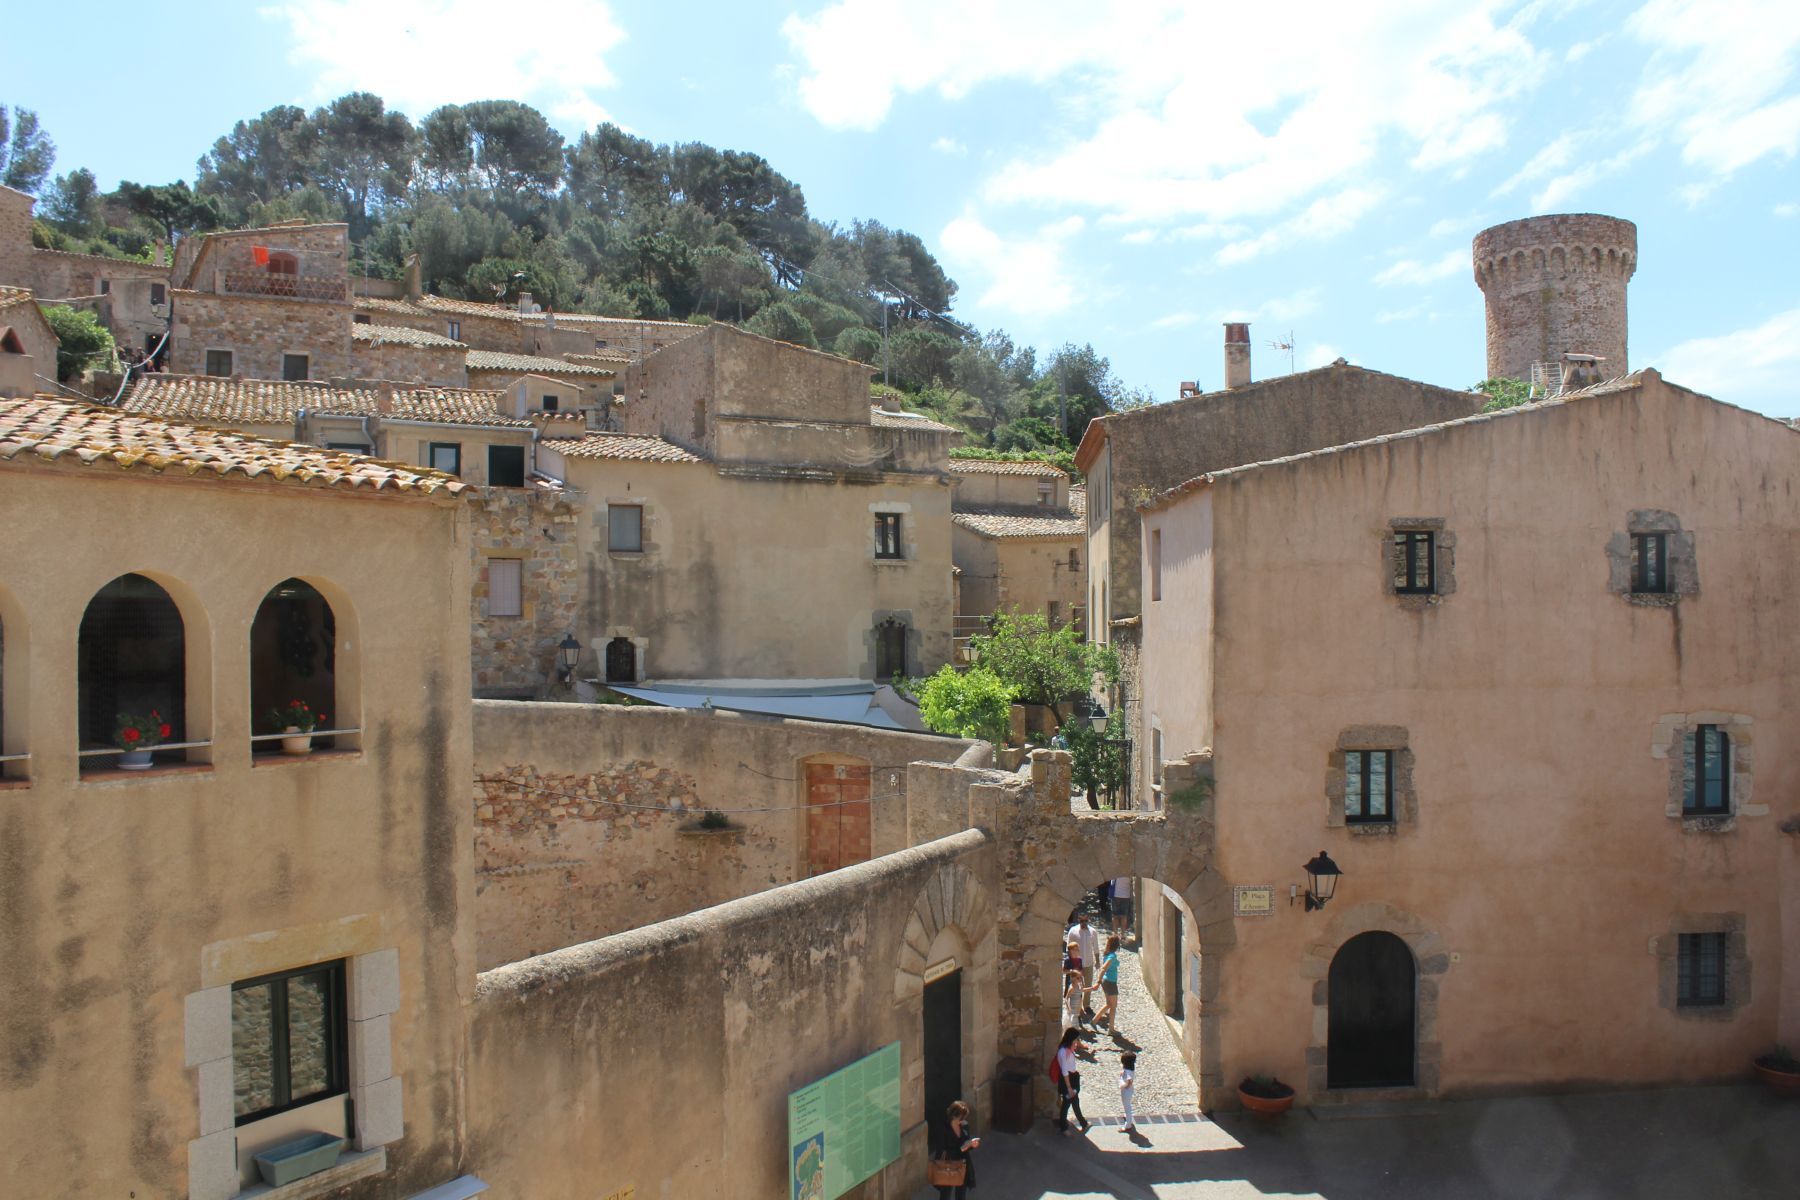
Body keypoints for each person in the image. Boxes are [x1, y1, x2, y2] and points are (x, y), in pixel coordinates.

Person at [929, 1099, 979, 1198]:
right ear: (953, 1116)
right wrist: (962, 1148)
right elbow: (941, 1150)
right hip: (948, 1167)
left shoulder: (964, 1125)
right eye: (960, 1118)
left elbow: (966, 1142)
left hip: (963, 1165)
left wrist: (971, 1145)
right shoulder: (943, 1129)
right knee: (945, 1195)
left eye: (964, 1118)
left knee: (961, 1195)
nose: (962, 1121)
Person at [1053, 1027, 1090, 1134]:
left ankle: (1083, 1123)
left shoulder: (1068, 1049)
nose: (1077, 1042)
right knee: (1066, 1103)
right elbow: (1064, 1070)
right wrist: (1069, 1087)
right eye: (1076, 1039)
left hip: (1072, 1078)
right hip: (1068, 1080)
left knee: (1074, 1101)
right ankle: (1064, 1128)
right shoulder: (1063, 1052)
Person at [1085, 935, 1123, 1033]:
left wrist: (1100, 981)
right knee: (1113, 1007)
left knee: (1108, 1004)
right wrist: (1098, 981)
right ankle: (1111, 1029)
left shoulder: (1107, 954)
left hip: (1106, 982)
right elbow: (1103, 968)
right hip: (1110, 982)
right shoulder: (1112, 956)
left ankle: (1094, 1021)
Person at [1067, 912, 1100, 1021]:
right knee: (1077, 986)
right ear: (1079, 920)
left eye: (1085, 921)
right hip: (1077, 964)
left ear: (1088, 920)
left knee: (1088, 984)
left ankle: (1086, 1005)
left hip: (1089, 962)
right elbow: (1069, 947)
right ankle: (1078, 1008)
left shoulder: (1092, 932)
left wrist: (1097, 961)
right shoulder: (1073, 931)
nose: (1083, 923)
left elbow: (1095, 947)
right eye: (1081, 921)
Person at [1062, 940, 1085, 1027]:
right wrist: (1071, 971)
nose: (1076, 951)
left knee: (1079, 997)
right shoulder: (1067, 960)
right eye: (1074, 950)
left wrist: (1082, 982)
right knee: (1069, 997)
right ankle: (1068, 1014)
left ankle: (1077, 1014)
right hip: (1070, 982)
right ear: (1070, 951)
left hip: (1078, 982)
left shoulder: (1079, 960)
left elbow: (1081, 971)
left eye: (1077, 950)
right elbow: (1063, 971)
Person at [1119, 1051, 1138, 1135]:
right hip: (1129, 1090)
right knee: (1127, 1105)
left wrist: (1124, 1086)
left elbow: (1129, 1081)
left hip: (1126, 1091)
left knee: (1127, 1107)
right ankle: (1128, 1118)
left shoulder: (1127, 1071)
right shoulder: (1130, 1068)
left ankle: (1128, 1125)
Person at [1111, 876, 1134, 940]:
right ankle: (1123, 934)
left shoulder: (1116, 871)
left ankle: (1115, 934)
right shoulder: (1129, 872)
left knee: (1115, 916)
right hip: (1126, 895)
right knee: (1124, 916)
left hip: (1116, 895)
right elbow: (1131, 884)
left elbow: (1112, 883)